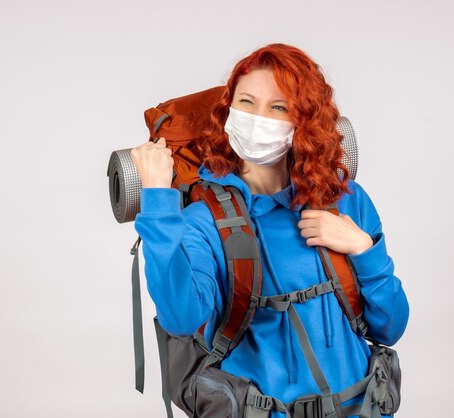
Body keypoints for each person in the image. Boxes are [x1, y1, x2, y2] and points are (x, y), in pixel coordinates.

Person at [131, 43, 409, 418]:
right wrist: (158, 203)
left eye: (278, 107)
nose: (258, 117)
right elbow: (180, 319)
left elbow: (390, 327)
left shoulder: (345, 200)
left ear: (303, 121)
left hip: (365, 408)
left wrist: (362, 248)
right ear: (228, 111)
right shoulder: (205, 220)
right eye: (246, 102)